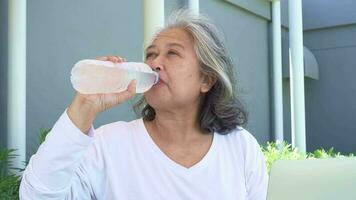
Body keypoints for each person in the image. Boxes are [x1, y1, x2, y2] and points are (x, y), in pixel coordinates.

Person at [20, 9, 268, 200]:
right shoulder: (107, 145)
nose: (155, 63)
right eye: (151, 54)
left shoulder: (240, 147)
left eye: (172, 53)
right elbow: (35, 195)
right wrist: (84, 105)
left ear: (206, 79)